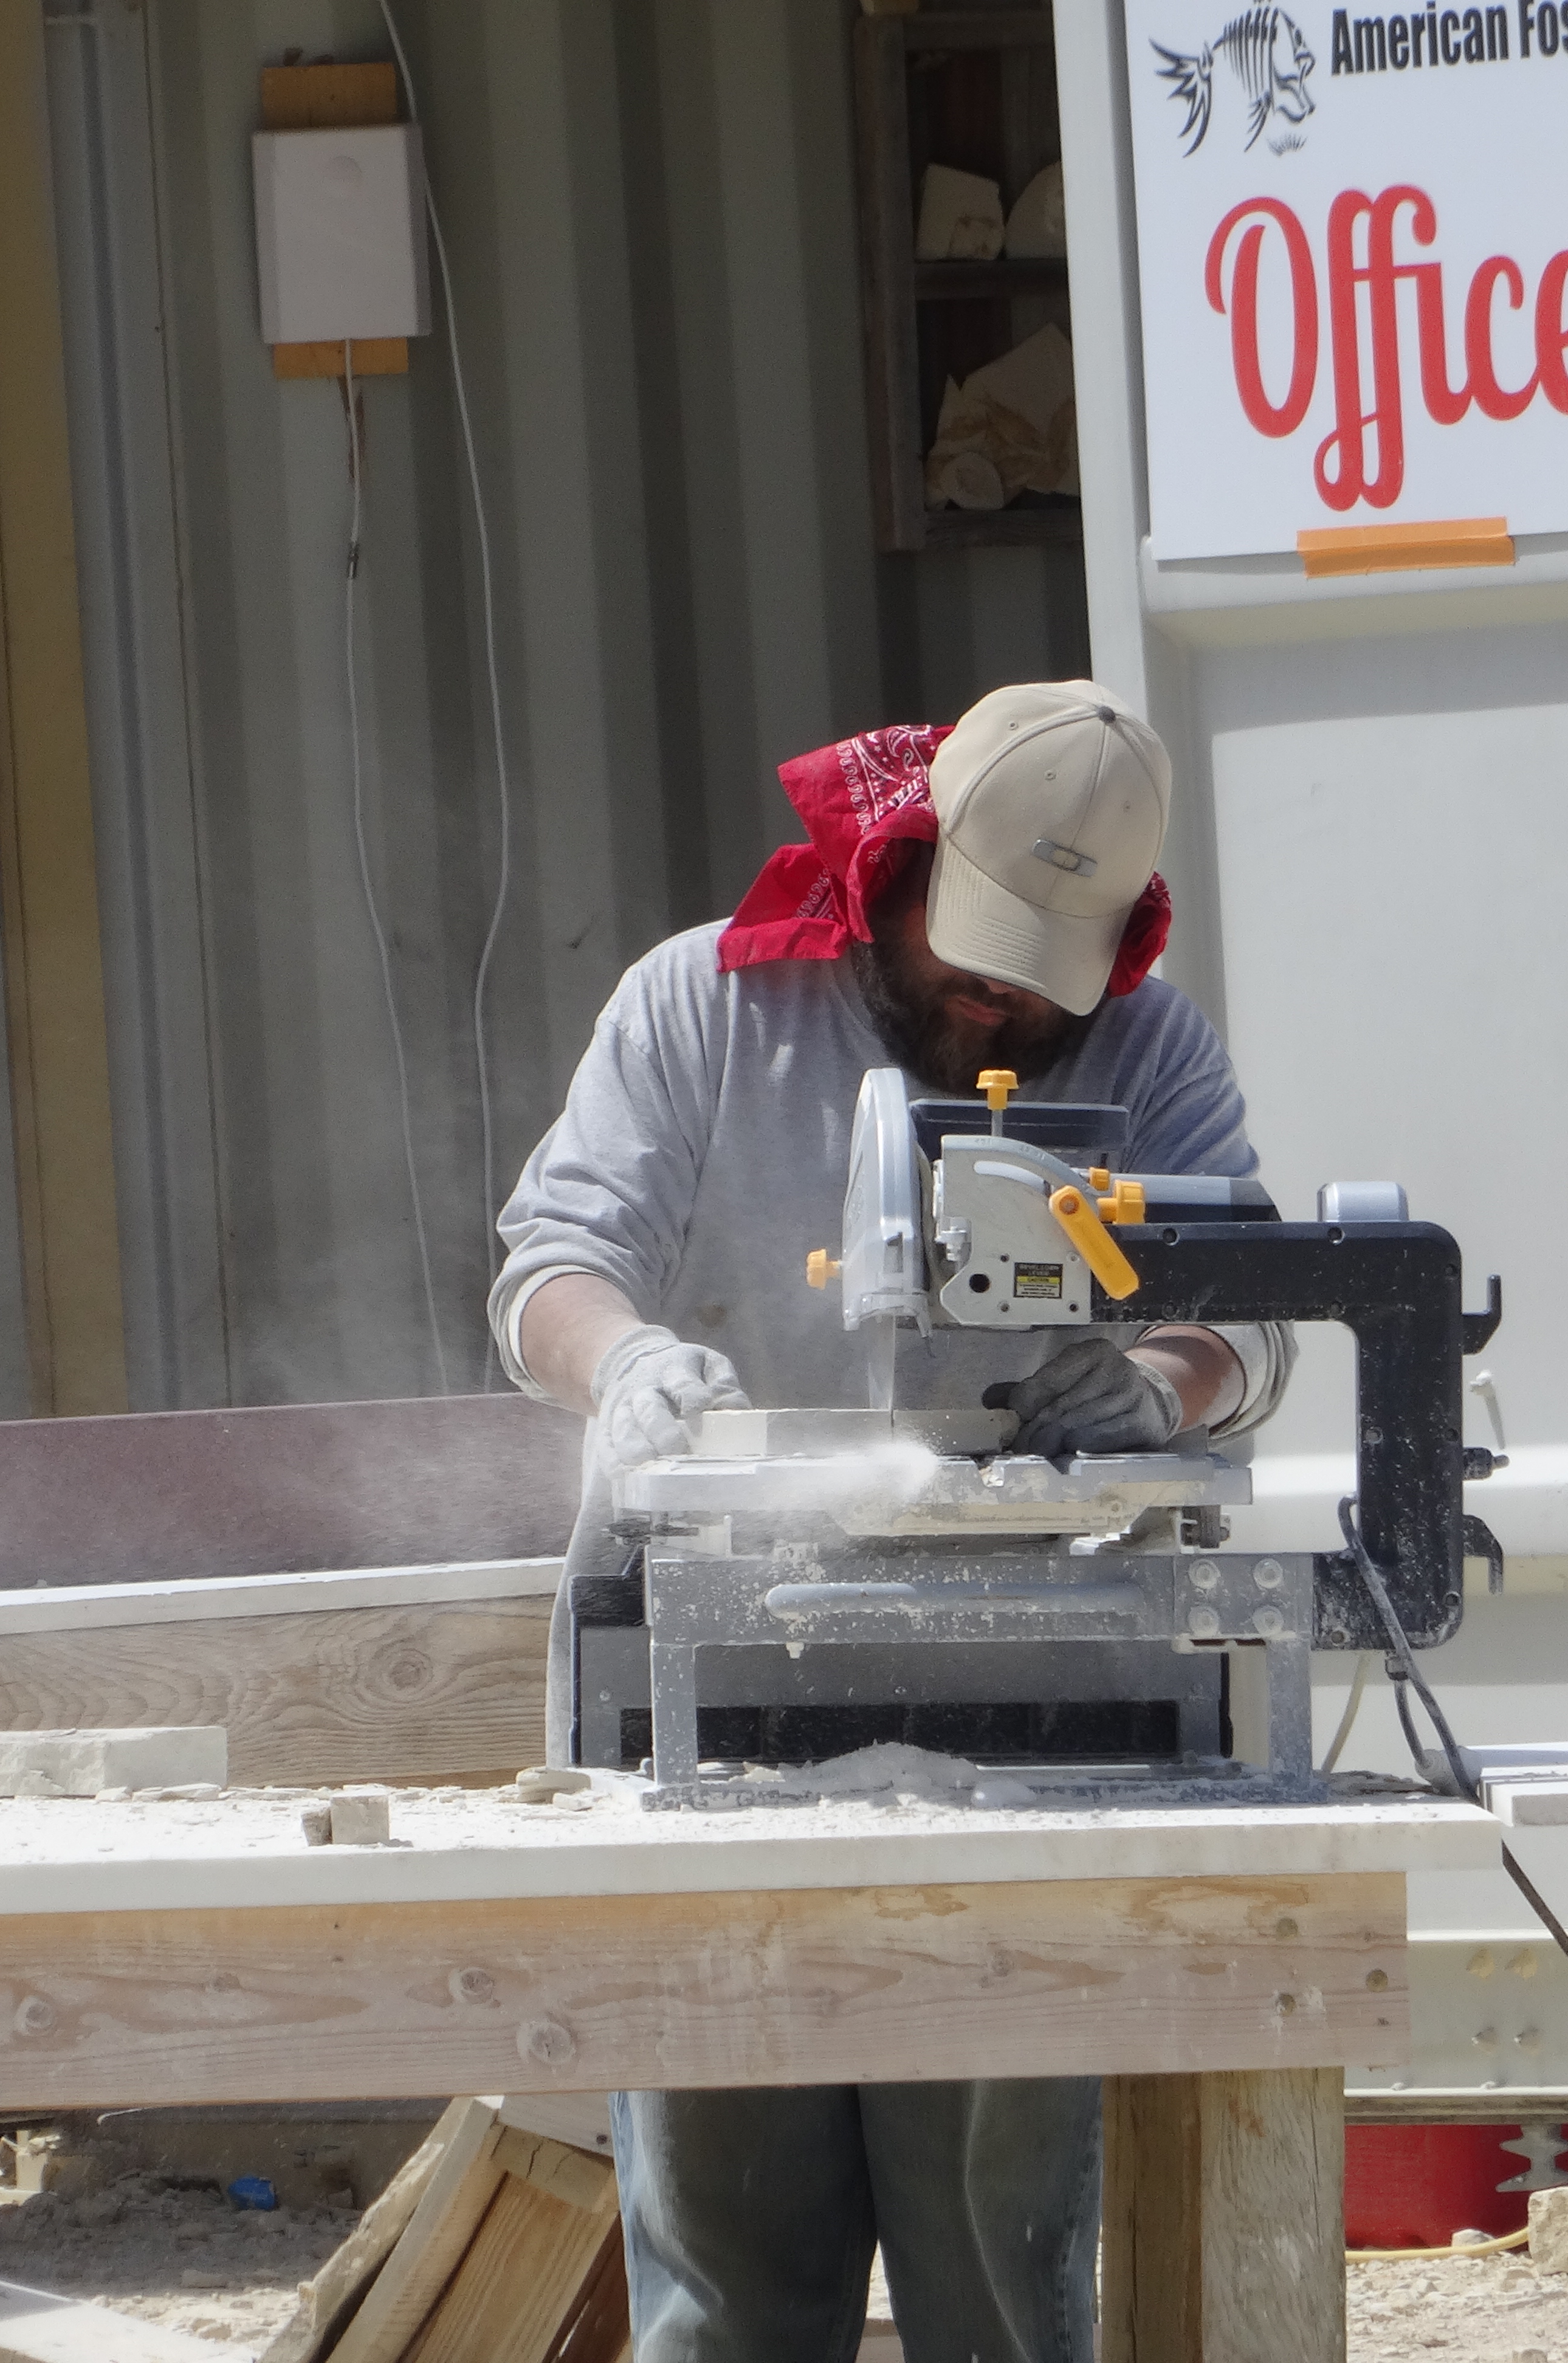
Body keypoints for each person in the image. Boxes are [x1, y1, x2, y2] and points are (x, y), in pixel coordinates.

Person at [488, 679, 1293, 2363]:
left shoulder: (1150, 1049)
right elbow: (553, 1268)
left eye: (1040, 981)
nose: (1001, 1002)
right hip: (712, 1686)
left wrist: (1159, 1383)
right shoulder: (707, 1002)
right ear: (900, 864)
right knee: (728, 2267)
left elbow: (1253, 1310)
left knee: (999, 2256)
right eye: (975, 957)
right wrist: (625, 1362)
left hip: (1034, 1702)